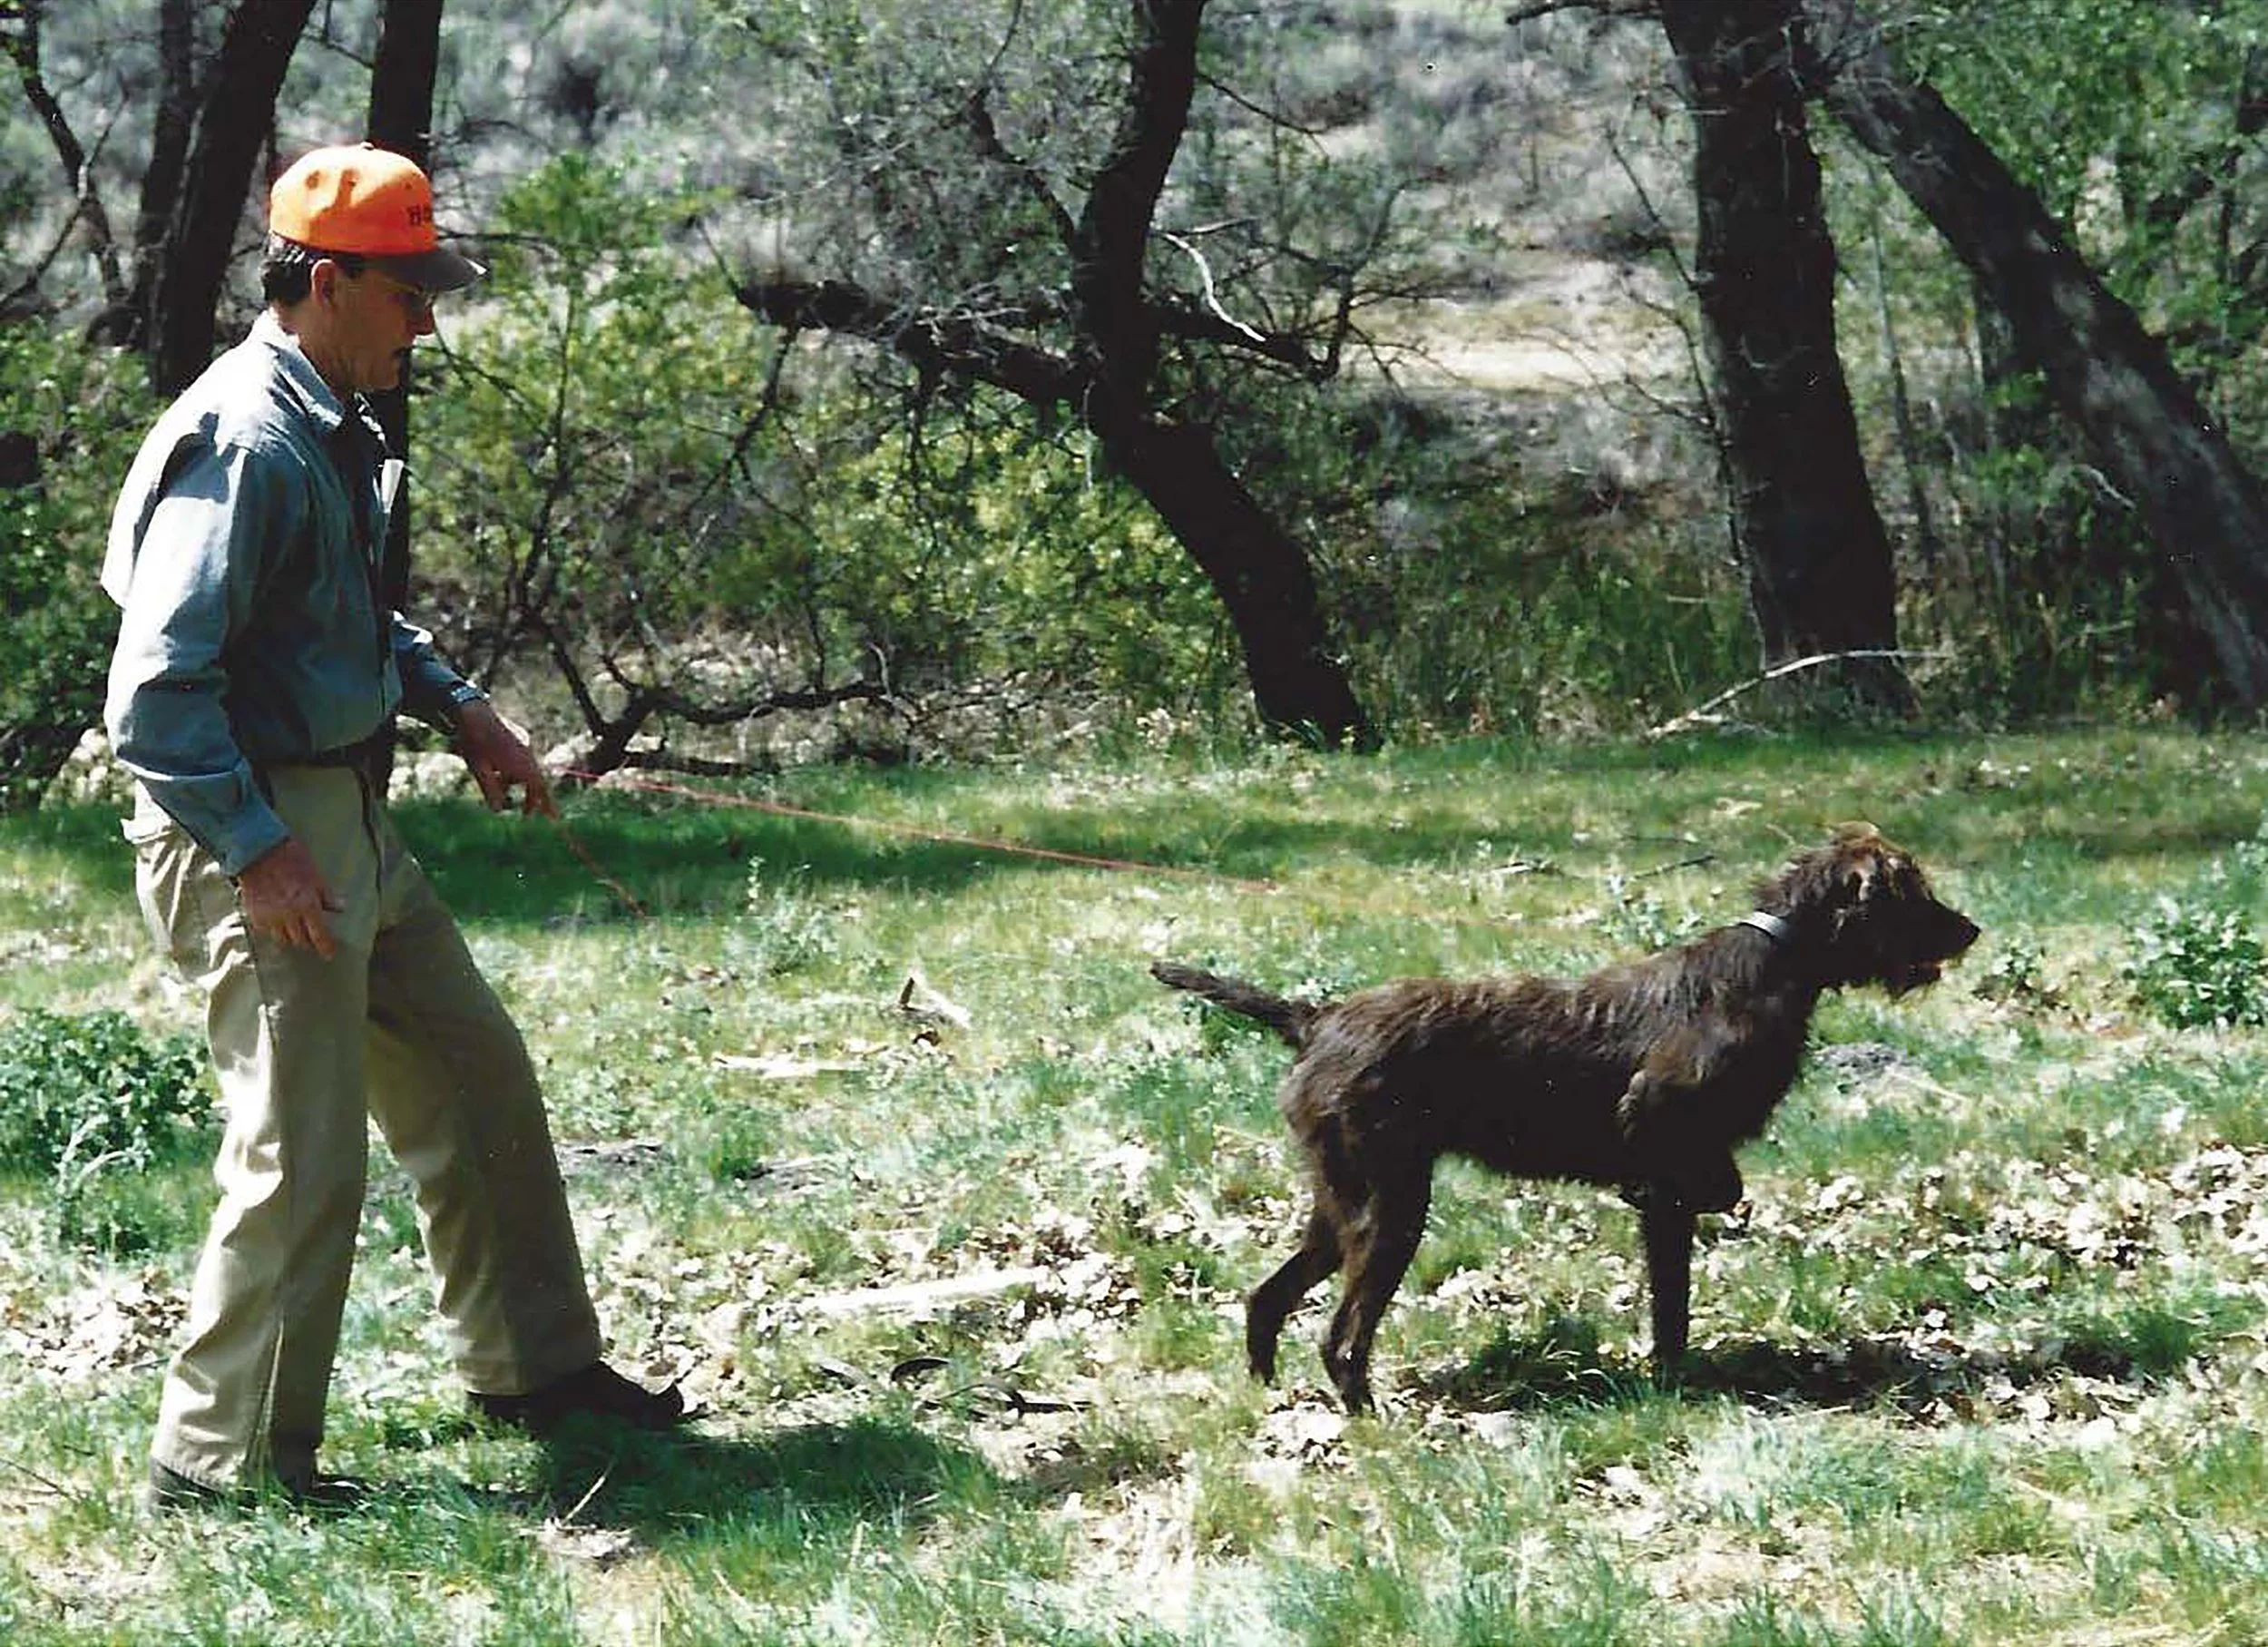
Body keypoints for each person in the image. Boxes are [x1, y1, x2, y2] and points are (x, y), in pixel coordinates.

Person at [102, 142, 682, 1510]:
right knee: (302, 1154)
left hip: (343, 812)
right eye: (407, 288)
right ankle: (224, 1464)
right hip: (251, 827)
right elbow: (154, 691)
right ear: (320, 282)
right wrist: (259, 849)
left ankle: (532, 1366)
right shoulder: (242, 436)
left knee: (475, 1072)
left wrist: (466, 713)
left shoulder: (327, 421)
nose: (429, 316)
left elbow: (350, 616)